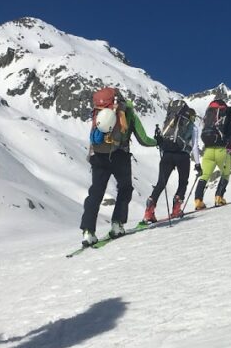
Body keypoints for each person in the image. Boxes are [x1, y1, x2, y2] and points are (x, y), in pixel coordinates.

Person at [80, 87, 156, 245]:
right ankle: (117, 224)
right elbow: (143, 139)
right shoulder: (127, 111)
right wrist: (157, 141)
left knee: (96, 192)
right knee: (125, 188)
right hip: (120, 156)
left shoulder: (99, 109)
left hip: (98, 155)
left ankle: (88, 231)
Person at [144, 99, 200, 222]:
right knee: (183, 182)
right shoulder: (193, 127)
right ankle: (176, 209)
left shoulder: (171, 122)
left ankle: (149, 211)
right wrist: (197, 164)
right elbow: (195, 146)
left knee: (161, 183)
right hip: (182, 155)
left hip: (167, 154)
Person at [193, 97, 231, 209]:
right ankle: (219, 197)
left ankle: (198, 201)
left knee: (204, 175)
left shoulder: (211, 119)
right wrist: (228, 147)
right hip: (221, 150)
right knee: (225, 173)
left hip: (208, 150)